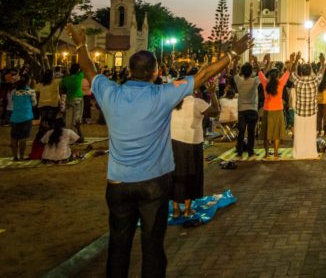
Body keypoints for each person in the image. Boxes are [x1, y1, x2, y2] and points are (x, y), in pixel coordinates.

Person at [66, 23, 252, 278]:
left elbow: (89, 68)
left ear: (130, 71)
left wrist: (80, 44)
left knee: (119, 246)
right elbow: (202, 75)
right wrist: (233, 53)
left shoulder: (110, 93)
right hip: (154, 183)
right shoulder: (162, 94)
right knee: (152, 246)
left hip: (118, 183)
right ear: (155, 72)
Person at [170, 74, 218, 218]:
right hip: (192, 144)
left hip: (173, 142)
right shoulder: (197, 103)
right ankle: (187, 209)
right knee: (191, 175)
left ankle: (176, 208)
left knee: (176, 175)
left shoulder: (172, 102)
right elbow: (215, 112)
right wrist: (213, 94)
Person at [258, 54, 296, 159]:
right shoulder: (281, 83)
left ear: (269, 76)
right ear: (278, 75)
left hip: (267, 111)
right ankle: (275, 153)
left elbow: (259, 72)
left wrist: (260, 61)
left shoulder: (265, 83)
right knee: (277, 134)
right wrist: (294, 60)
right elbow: (289, 71)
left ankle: (266, 154)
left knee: (266, 134)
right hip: (278, 111)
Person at [291, 53, 321, 159]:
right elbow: (321, 73)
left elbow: (291, 72)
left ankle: (299, 153)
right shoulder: (315, 81)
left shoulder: (297, 81)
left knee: (299, 135)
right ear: (310, 72)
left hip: (299, 112)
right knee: (310, 135)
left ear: (301, 72)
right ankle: (310, 153)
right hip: (312, 112)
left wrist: (295, 61)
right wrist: (322, 62)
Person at [233, 60, 259, 159]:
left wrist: (235, 63)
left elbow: (234, 73)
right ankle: (250, 152)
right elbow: (262, 75)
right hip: (252, 109)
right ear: (251, 71)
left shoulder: (239, 81)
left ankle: (239, 153)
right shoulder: (255, 81)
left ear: (242, 72)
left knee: (241, 133)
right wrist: (256, 63)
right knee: (251, 133)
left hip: (242, 110)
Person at [9, 75, 36, 161]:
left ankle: (15, 157)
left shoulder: (14, 92)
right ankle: (21, 156)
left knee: (14, 138)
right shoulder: (31, 92)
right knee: (23, 138)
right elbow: (34, 103)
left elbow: (13, 100)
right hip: (26, 117)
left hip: (15, 117)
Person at [61, 63, 85, 141]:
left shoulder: (65, 79)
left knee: (68, 120)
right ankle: (79, 137)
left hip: (69, 99)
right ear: (78, 70)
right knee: (77, 119)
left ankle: (69, 136)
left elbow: (62, 89)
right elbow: (84, 69)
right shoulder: (80, 76)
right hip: (78, 99)